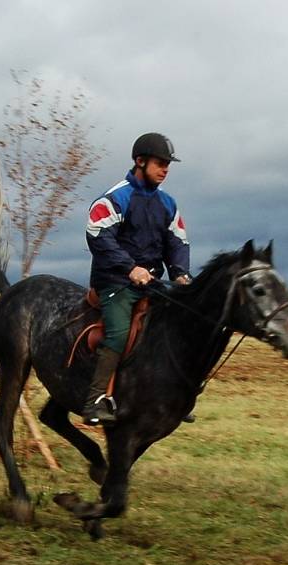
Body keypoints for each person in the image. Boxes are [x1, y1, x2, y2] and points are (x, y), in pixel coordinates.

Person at [82, 132, 191, 425]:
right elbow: (98, 236)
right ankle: (95, 401)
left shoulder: (168, 203)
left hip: (153, 284)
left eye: (168, 164)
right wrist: (130, 268)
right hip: (116, 283)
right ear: (140, 161)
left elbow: (177, 241)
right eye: (160, 163)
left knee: (177, 327)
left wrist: (180, 273)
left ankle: (171, 395)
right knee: (117, 332)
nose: (165, 169)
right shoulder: (115, 197)